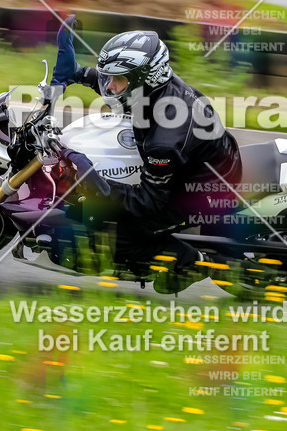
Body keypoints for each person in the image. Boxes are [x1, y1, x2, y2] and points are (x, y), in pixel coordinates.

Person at [51, 15, 242, 293]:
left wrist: (96, 184)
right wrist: (78, 73)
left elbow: (147, 203)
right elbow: (120, 89)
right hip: (204, 159)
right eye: (109, 78)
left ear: (142, 81)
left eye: (117, 79)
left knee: (112, 232)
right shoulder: (154, 88)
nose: (110, 86)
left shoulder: (163, 140)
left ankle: (191, 262)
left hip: (204, 191)